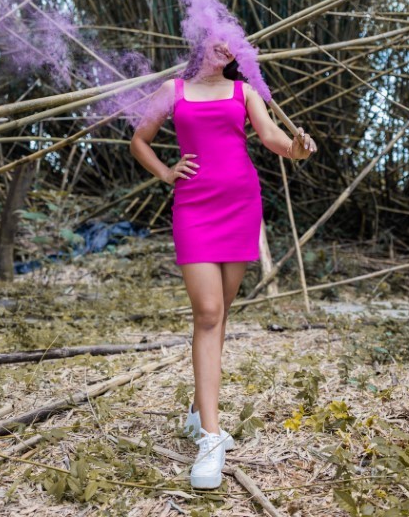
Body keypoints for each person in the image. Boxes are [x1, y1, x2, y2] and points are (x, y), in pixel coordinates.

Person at [130, 35, 317, 489]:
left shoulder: (244, 91)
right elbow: (139, 140)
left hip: (240, 204)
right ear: (199, 38)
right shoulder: (173, 90)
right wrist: (166, 172)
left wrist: (296, 148)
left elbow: (271, 137)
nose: (225, 47)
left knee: (220, 313)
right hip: (194, 208)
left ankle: (199, 412)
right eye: (216, 38)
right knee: (209, 313)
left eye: (231, 42)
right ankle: (210, 439)